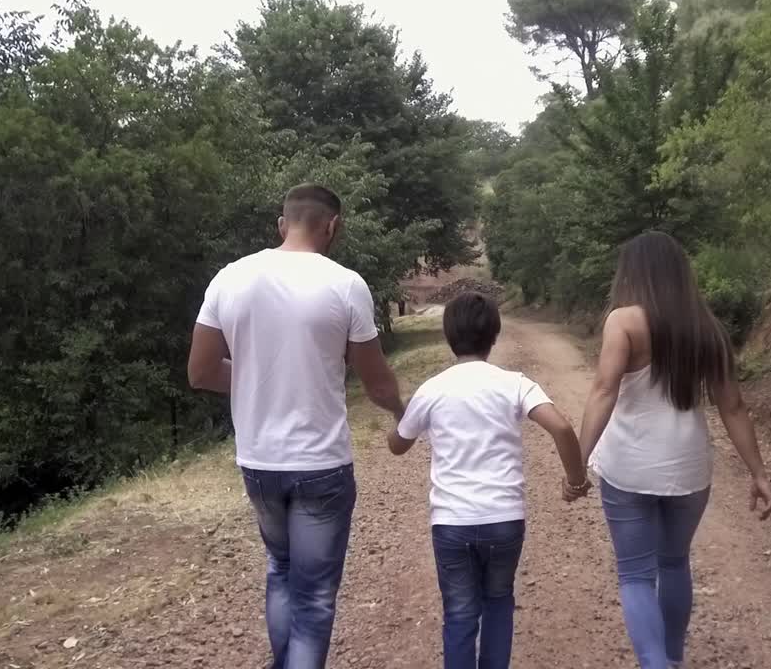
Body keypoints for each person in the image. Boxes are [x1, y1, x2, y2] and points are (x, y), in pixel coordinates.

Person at [187, 183, 405, 669]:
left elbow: (199, 372)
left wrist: (253, 383)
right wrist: (400, 414)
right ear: (333, 226)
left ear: (283, 225)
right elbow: (377, 382)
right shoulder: (346, 284)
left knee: (281, 570)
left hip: (259, 462)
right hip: (321, 466)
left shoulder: (228, 278)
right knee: (314, 599)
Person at [579, 231, 771, 669]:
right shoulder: (708, 327)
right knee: (673, 564)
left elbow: (603, 391)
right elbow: (734, 407)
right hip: (689, 469)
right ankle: (673, 658)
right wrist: (758, 473)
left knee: (634, 574)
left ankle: (655, 663)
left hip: (629, 466)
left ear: (632, 273)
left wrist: (576, 462)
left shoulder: (623, 321)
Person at [386, 292, 590, 669]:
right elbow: (561, 426)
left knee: (460, 615)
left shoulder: (432, 388)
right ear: (494, 335)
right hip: (504, 520)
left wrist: (397, 413)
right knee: (498, 602)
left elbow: (398, 445)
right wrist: (576, 481)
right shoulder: (514, 383)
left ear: (449, 336)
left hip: (451, 523)